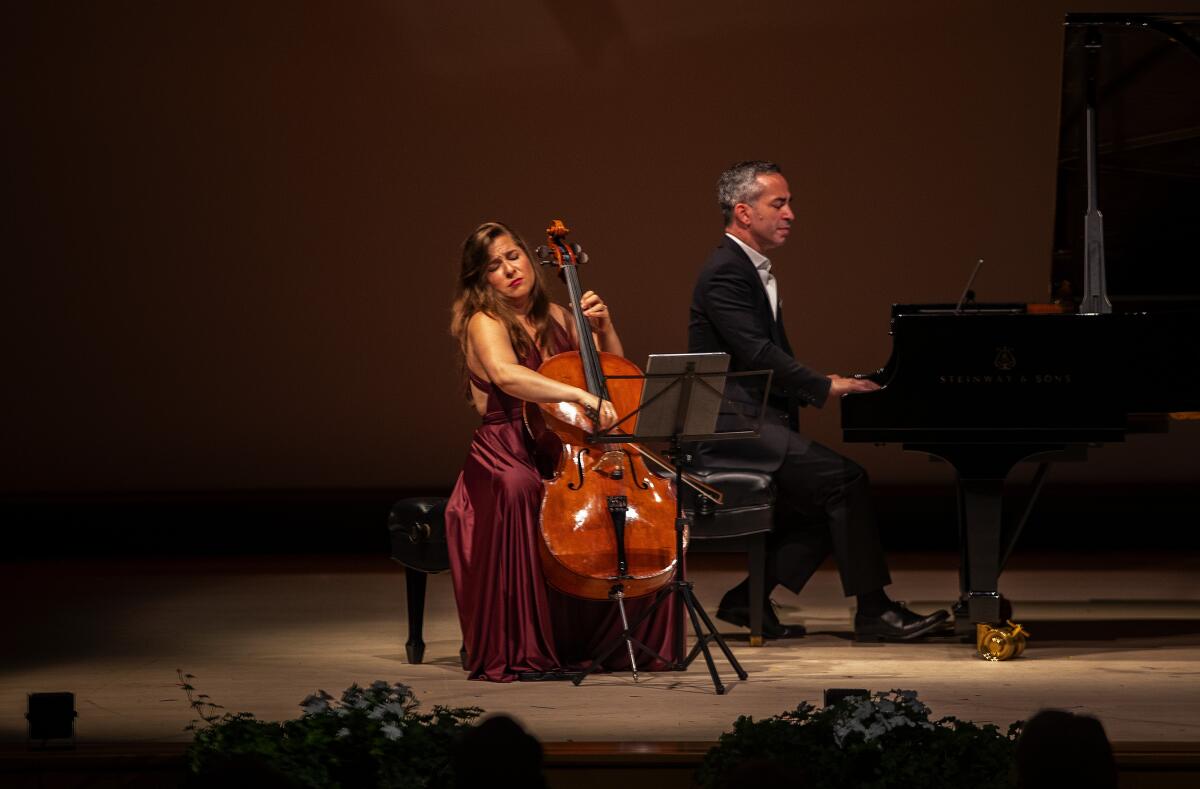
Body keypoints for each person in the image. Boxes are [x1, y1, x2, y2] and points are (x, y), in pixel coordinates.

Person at [688, 161, 949, 641]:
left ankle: (747, 602)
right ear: (743, 213)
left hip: (754, 419)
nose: (791, 214)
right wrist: (823, 386)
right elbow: (756, 352)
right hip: (729, 425)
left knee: (825, 506)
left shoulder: (748, 267)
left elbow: (766, 355)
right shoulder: (726, 271)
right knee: (845, 482)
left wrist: (819, 381)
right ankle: (875, 612)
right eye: (779, 204)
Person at [445, 221, 678, 681]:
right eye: (494, 266)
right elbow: (508, 376)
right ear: (481, 279)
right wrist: (580, 398)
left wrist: (605, 329)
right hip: (507, 445)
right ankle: (523, 646)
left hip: (565, 442)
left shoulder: (559, 316)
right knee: (521, 488)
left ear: (530, 259)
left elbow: (609, 377)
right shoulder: (484, 321)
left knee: (656, 500)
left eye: (513, 256)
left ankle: (615, 640)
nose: (510, 269)